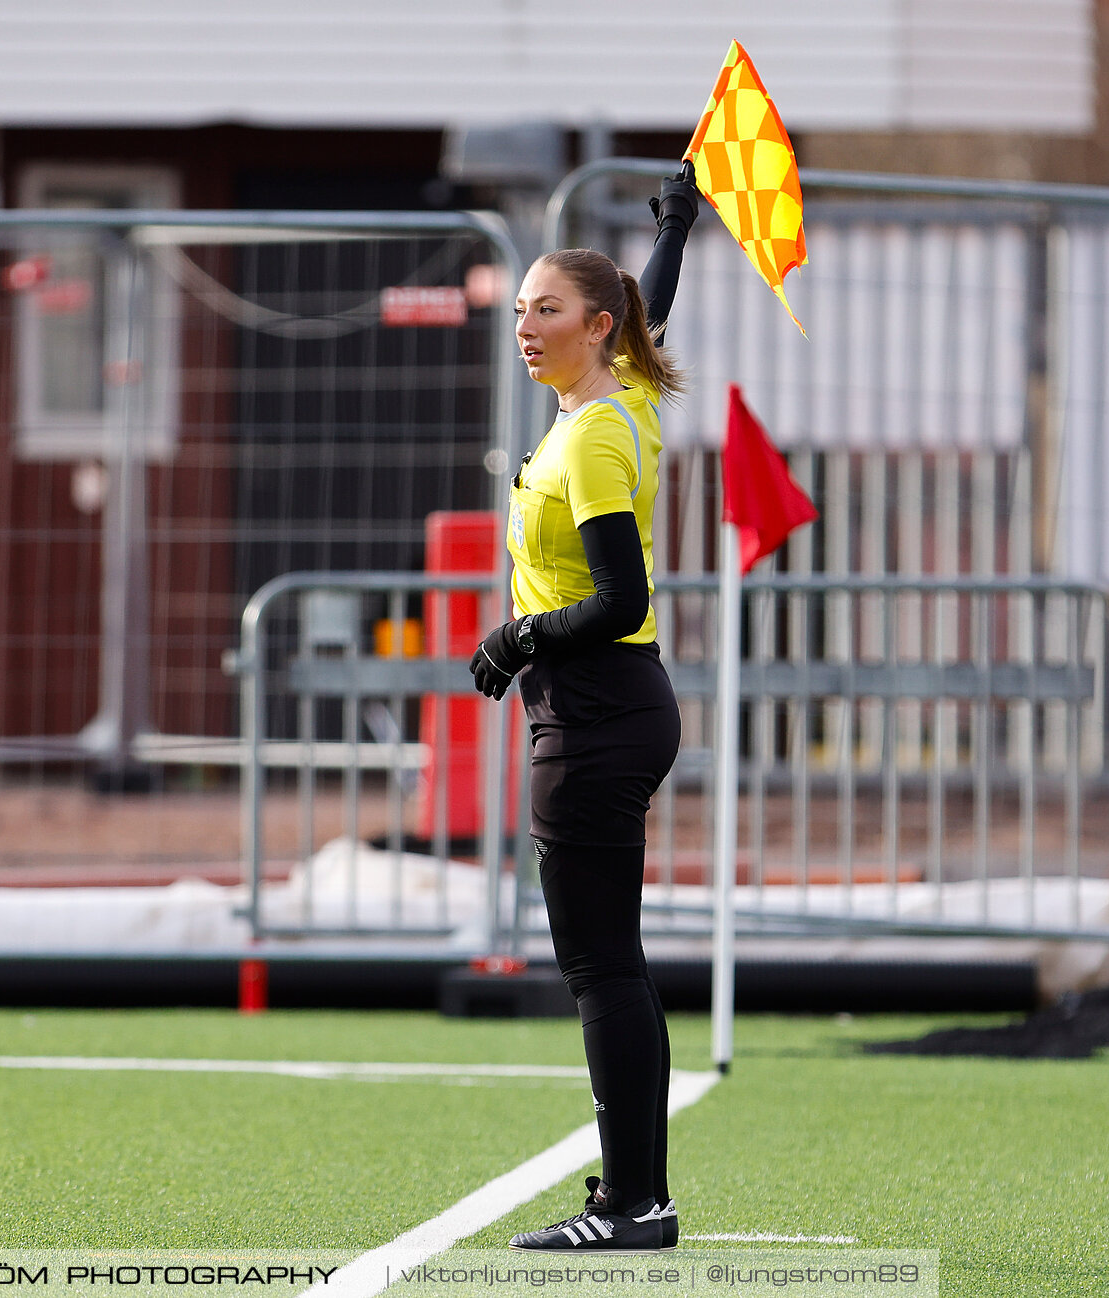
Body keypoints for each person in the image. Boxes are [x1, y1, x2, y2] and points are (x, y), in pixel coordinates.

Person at [471, 166, 697, 1253]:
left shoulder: (597, 434)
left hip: (596, 709)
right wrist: (675, 225)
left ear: (597, 328)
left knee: (601, 964)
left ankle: (633, 1206)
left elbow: (622, 600)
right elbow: (654, 308)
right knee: (617, 959)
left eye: (545, 308)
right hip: (614, 710)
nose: (524, 323)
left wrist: (518, 638)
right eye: (518, 306)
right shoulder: (620, 397)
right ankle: (639, 1196)